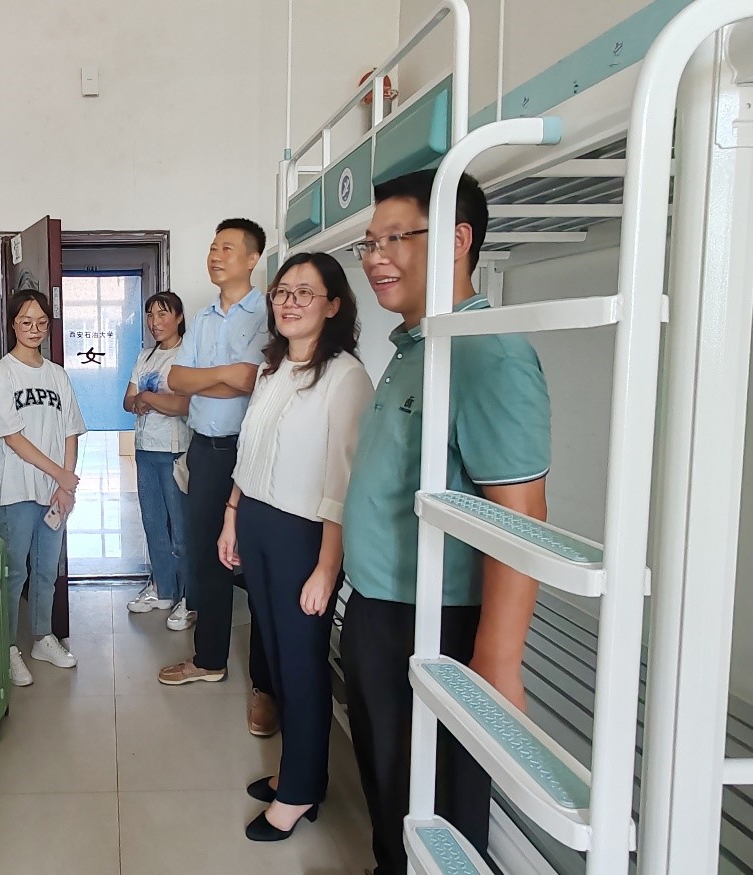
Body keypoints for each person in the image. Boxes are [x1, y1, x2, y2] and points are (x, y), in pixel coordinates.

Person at [340, 169, 551, 874]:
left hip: (437, 622)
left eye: (395, 239)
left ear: (458, 240)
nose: (375, 258)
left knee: (438, 809)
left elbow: (521, 516)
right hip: (384, 608)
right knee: (392, 792)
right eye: (369, 243)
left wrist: (498, 661)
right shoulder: (416, 348)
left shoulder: (488, 354)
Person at [219, 252, 374, 841]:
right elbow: (250, 452)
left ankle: (300, 792)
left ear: (333, 305)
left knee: (302, 663)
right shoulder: (273, 369)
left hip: (304, 535)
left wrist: (326, 569)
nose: (289, 302)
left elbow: (341, 482)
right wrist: (232, 517)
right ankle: (298, 772)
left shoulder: (346, 377)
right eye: (282, 292)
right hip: (258, 521)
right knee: (277, 658)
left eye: (304, 293)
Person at [156, 218, 278, 740]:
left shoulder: (267, 312)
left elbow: (254, 380)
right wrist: (224, 376)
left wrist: (217, 379)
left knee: (259, 567)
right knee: (206, 557)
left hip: (251, 452)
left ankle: (265, 686)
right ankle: (209, 660)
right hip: (205, 451)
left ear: (252, 258)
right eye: (212, 247)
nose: (215, 255)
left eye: (227, 247)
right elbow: (177, 379)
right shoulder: (203, 317)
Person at [0, 289, 87, 687]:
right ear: (13, 323)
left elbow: (71, 430)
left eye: (42, 322)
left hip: (55, 494)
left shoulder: (57, 375)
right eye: (26, 322)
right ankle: (8, 648)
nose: (34, 329)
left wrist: (66, 483)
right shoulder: (2, 373)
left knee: (47, 570)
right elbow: (12, 437)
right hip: (18, 491)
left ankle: (43, 637)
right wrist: (59, 475)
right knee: (14, 573)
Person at [124, 291, 195, 631]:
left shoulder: (188, 355)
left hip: (175, 450)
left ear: (179, 317)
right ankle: (163, 590)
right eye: (150, 314)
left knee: (181, 529)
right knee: (153, 523)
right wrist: (145, 399)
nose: (155, 321)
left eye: (163, 314)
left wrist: (148, 398)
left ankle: (189, 598)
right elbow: (128, 401)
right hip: (145, 449)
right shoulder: (145, 356)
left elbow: (183, 405)